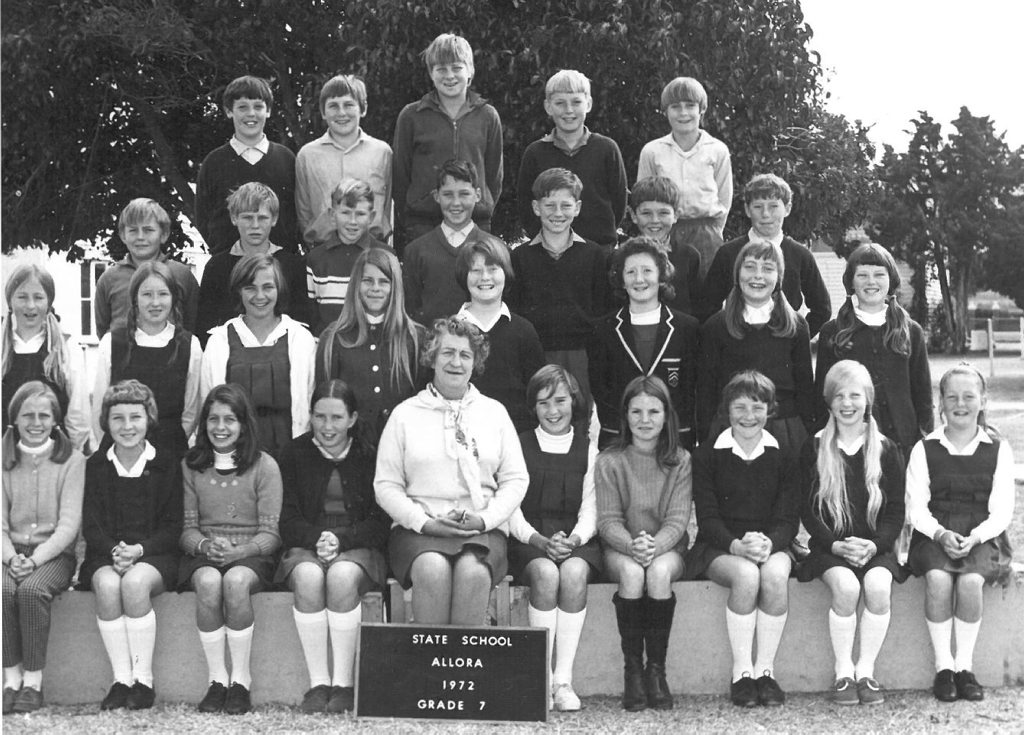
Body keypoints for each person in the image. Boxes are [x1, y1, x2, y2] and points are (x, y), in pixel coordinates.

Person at [374, 317, 528, 625]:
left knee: (473, 573)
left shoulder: (494, 413)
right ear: (432, 356)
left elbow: (515, 479)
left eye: (465, 355)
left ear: (476, 362)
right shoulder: (405, 415)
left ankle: (464, 671)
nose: (456, 362)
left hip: (481, 529)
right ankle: (430, 671)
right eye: (447, 353)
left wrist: (484, 519)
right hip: (418, 530)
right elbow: (386, 486)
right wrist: (425, 523)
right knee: (432, 569)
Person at [687, 371, 798, 708]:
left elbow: (789, 519)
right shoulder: (707, 454)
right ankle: (742, 673)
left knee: (775, 577)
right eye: (740, 407)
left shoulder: (784, 453)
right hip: (720, 546)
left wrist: (768, 543)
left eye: (757, 407)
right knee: (747, 576)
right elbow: (706, 520)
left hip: (772, 543)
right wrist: (736, 546)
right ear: (727, 410)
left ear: (770, 409)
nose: (749, 416)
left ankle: (766, 671)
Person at [277, 380, 389, 714]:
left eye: (337, 418)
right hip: (305, 544)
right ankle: (318, 683)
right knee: (310, 578)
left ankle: (343, 684)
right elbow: (286, 518)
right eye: (320, 417)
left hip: (358, 545)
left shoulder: (370, 455)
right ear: (309, 416)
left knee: (341, 577)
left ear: (352, 419)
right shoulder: (293, 454)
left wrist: (342, 540)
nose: (328, 426)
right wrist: (317, 540)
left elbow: (381, 520)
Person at [905, 363, 1015, 703]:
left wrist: (976, 538)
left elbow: (1002, 511)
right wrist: (939, 535)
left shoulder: (998, 449)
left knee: (969, 582)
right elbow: (916, 508)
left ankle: (964, 668)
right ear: (941, 402)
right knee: (938, 580)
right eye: (951, 396)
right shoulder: (925, 448)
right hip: (935, 534)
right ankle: (943, 669)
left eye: (969, 396)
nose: (960, 404)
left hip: (981, 535)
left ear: (982, 401)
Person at [799, 361, 905, 706]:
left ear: (868, 400)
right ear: (829, 402)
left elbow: (895, 512)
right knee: (845, 587)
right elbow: (809, 511)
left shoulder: (886, 449)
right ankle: (843, 672)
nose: (847, 403)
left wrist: (874, 546)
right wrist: (836, 545)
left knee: (876, 586)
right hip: (832, 547)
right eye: (839, 396)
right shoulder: (814, 447)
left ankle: (866, 671)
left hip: (876, 547)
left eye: (855, 395)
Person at [178, 384, 283, 715]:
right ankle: (217, 680)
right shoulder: (191, 465)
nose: (220, 428)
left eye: (229, 420)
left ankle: (240, 681)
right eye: (213, 419)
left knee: (236, 583)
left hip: (252, 554)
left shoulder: (265, 466)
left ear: (243, 424)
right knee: (209, 583)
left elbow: (272, 534)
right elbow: (186, 530)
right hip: (204, 554)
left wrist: (240, 551)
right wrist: (207, 546)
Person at [80, 380, 183, 711]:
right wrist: (114, 552)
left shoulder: (167, 463)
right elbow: (91, 525)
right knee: (109, 587)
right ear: (106, 423)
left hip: (154, 555)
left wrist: (138, 552)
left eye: (135, 417)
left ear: (148, 418)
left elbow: (173, 526)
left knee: (136, 583)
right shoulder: (95, 466)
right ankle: (121, 679)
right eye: (118, 418)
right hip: (105, 554)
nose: (127, 427)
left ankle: (143, 680)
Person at [507, 365, 599, 711]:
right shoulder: (520, 445)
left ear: (573, 402)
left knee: (573, 574)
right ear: (533, 407)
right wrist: (540, 541)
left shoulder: (589, 449)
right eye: (544, 403)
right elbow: (510, 507)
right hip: (529, 541)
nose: (553, 410)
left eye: (560, 400)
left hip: (576, 540)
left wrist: (572, 541)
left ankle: (563, 680)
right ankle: (541, 680)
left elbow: (591, 509)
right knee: (546, 574)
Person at [596, 376, 691, 712]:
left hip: (668, 547)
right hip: (621, 547)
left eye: (654, 411)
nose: (645, 420)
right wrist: (632, 546)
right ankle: (632, 671)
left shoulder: (680, 460)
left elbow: (678, 521)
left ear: (667, 416)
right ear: (625, 415)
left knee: (659, 574)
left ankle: (656, 671)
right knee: (634, 575)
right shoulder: (610, 460)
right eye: (636, 411)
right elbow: (607, 520)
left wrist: (654, 547)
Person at [2, 381, 85, 714]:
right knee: (2, 590)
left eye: (43, 416)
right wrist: (10, 558)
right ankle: (10, 679)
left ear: (55, 420)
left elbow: (68, 525)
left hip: (52, 556)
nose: (35, 423)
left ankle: (33, 682)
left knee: (31, 591)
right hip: (8, 551)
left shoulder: (72, 461)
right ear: (15, 419)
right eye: (27, 415)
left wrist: (33, 561)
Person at [815, 242, 933, 459]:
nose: (871, 282)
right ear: (851, 282)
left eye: (879, 274)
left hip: (903, 446)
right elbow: (822, 395)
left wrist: (924, 443)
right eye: (862, 275)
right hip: (850, 444)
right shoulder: (833, 332)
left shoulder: (910, 331)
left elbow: (923, 396)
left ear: (891, 280)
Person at [696, 240, 813, 454]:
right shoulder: (716, 326)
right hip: (732, 430)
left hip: (785, 431)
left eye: (768, 269)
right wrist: (706, 441)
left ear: (779, 278)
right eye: (749, 267)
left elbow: (805, 389)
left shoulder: (796, 326)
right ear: (737, 274)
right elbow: (706, 392)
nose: (758, 275)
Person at [392, 33, 503, 253]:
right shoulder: (411, 116)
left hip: (475, 222)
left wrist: (482, 206)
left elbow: (494, 175)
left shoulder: (488, 116)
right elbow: (400, 173)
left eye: (457, 67)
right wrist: (413, 210)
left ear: (470, 71)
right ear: (431, 74)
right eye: (441, 69)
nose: (449, 75)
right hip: (423, 223)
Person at [507, 167, 611, 400]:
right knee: (541, 409)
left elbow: (603, 308)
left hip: (581, 354)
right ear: (536, 208)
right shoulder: (520, 257)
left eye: (565, 205)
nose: (557, 213)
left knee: (579, 415)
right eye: (549, 205)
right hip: (537, 352)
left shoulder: (593, 254)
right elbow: (514, 309)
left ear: (578, 208)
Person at [589, 237, 698, 450]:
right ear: (620, 279)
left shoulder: (687, 328)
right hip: (621, 442)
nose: (639, 279)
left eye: (647, 271)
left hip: (672, 442)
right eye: (630, 272)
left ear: (661, 275)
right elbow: (601, 390)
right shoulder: (603, 330)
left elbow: (689, 391)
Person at [201, 255, 316, 454]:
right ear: (239, 291)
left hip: (290, 453)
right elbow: (207, 404)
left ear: (279, 289)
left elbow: (310, 401)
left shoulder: (301, 338)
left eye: (268, 287)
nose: (260, 296)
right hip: (235, 455)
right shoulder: (219, 341)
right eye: (250, 288)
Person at [91, 261, 202, 459]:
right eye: (147, 294)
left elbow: (190, 411)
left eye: (162, 294)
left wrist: (170, 448)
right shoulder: (112, 343)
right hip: (120, 452)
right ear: (134, 298)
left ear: (173, 298)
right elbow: (100, 406)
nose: (155, 303)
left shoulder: (189, 345)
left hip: (170, 453)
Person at [702, 174, 831, 335]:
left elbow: (822, 308)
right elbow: (707, 307)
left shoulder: (800, 255)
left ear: (787, 209)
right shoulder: (728, 253)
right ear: (747, 210)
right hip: (736, 343)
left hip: (782, 346)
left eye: (773, 206)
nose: (765, 214)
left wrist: (796, 337)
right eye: (758, 206)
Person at [316, 248, 424, 440]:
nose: (375, 288)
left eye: (384, 282)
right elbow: (325, 404)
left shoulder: (415, 337)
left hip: (403, 446)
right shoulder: (334, 338)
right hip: (351, 449)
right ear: (356, 284)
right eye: (368, 281)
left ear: (396, 287)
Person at [516, 69, 627, 248]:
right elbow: (526, 205)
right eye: (560, 103)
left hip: (600, 250)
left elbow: (619, 203)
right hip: (550, 251)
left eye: (576, 102)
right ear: (548, 106)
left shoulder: (607, 149)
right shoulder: (535, 153)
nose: (569, 110)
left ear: (588, 104)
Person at [637, 76, 732, 279]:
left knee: (707, 295)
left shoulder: (717, 150)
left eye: (690, 106)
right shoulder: (652, 151)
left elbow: (725, 198)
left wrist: (712, 230)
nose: (683, 113)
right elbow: (642, 197)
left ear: (702, 109)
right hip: (665, 231)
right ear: (665, 111)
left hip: (706, 232)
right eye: (675, 107)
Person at [196, 182, 312, 343]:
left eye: (262, 218)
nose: (255, 225)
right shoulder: (216, 266)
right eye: (247, 218)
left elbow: (302, 320)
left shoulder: (292, 265)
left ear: (274, 219)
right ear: (234, 218)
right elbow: (204, 325)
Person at [195, 75, 298, 254]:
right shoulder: (214, 162)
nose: (251, 113)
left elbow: (296, 214)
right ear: (229, 111)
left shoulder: (286, 159)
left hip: (280, 266)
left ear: (268, 111)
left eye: (258, 107)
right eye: (242, 107)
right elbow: (203, 217)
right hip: (229, 266)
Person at [454, 238, 545, 433]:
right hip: (460, 438)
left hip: (514, 438)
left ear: (506, 273)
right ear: (464, 276)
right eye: (476, 271)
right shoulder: (450, 330)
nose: (485, 277)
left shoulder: (524, 331)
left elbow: (538, 392)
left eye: (493, 269)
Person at [403, 159, 507, 326]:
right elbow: (411, 312)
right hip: (431, 348)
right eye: (448, 195)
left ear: (478, 195)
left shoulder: (496, 249)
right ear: (437, 196)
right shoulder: (416, 251)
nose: (456, 203)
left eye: (464, 194)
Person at [2, 264, 93, 452]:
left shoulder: (66, 348)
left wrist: (69, 457)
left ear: (49, 302)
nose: (30, 305)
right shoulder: (2, 351)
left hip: (54, 460)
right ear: (10, 301)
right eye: (22, 297)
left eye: (38, 297)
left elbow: (78, 415)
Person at [295, 74, 393, 247]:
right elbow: (304, 211)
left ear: (363, 109)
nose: (341, 113)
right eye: (333, 106)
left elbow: (387, 206)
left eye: (349, 105)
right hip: (324, 250)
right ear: (323, 112)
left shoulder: (382, 152)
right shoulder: (307, 155)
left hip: (372, 249)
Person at [93, 198, 200, 337]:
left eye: (148, 230)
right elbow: (103, 328)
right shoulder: (109, 279)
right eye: (133, 231)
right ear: (123, 236)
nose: (140, 237)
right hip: (123, 355)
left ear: (164, 235)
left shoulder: (182, 275)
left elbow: (194, 324)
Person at [305, 178, 391, 335]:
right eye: (345, 213)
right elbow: (313, 315)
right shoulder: (316, 259)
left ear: (371, 217)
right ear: (332, 214)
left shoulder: (385, 255)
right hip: (331, 347)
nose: (352, 222)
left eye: (360, 214)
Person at [628, 177, 702, 316]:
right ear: (633, 215)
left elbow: (698, 308)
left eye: (663, 213)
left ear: (676, 215)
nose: (655, 220)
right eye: (646, 213)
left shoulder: (689, 256)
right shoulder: (622, 257)